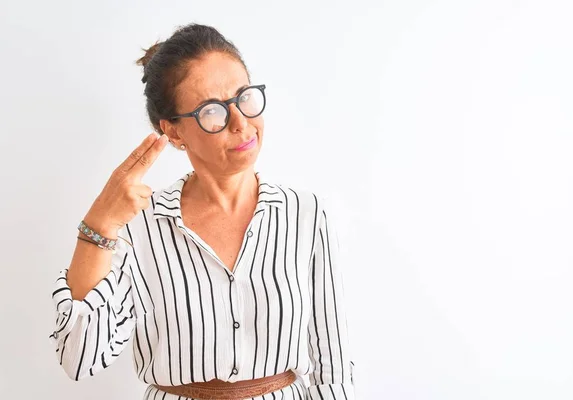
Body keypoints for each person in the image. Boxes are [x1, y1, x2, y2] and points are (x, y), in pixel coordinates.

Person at [49, 23, 355, 400]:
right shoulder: (138, 228)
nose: (241, 123)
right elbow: (79, 358)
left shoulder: (306, 215)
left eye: (245, 97)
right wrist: (99, 224)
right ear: (174, 132)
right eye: (213, 111)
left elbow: (332, 365)